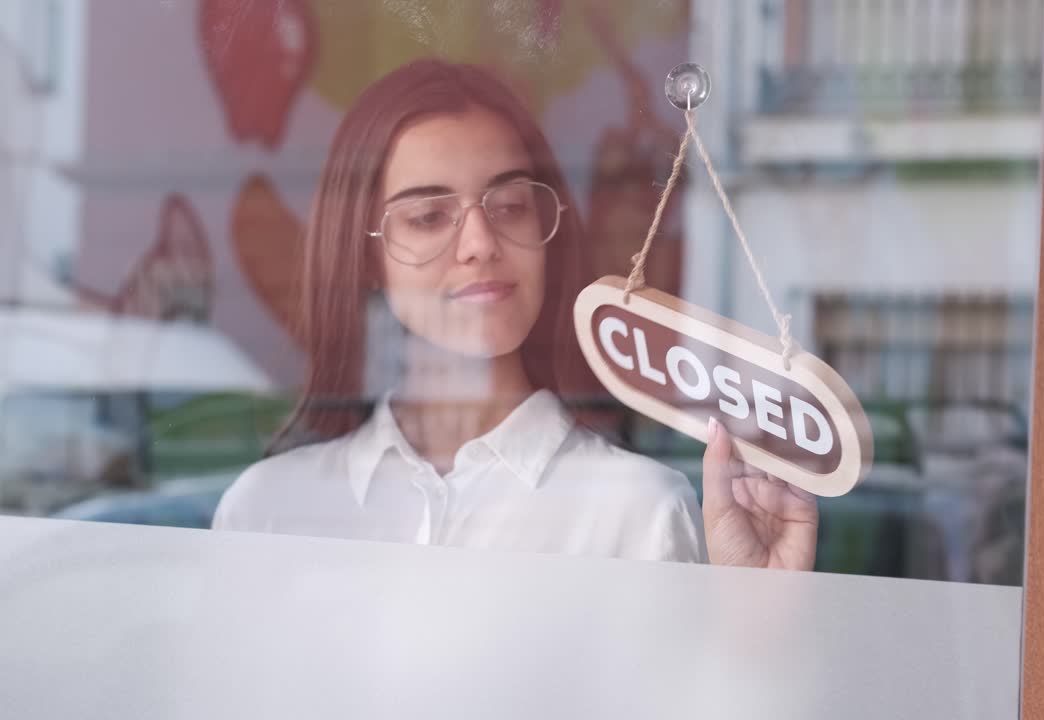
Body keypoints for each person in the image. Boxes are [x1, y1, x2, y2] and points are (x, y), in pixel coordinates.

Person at [212, 60, 818, 570]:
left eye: (510, 205)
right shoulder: (268, 511)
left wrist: (756, 617)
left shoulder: (639, 512)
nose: (479, 242)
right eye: (427, 217)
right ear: (365, 256)